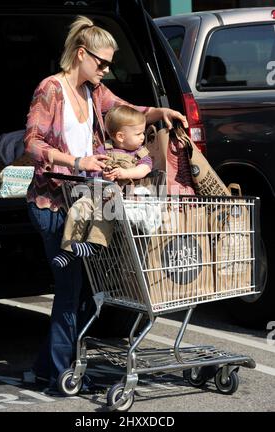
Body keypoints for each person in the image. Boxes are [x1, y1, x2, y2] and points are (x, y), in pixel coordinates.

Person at [23, 15, 188, 393]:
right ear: (81, 54)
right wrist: (77, 162)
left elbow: (128, 109)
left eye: (110, 64)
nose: (106, 70)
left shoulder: (93, 92)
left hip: (87, 200)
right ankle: (57, 375)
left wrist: (160, 113)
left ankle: (44, 366)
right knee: (70, 287)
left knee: (86, 289)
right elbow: (31, 144)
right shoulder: (52, 90)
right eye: (101, 62)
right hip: (53, 202)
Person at [52, 105, 151, 268]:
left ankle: (94, 244)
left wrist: (125, 174)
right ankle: (69, 249)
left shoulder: (140, 153)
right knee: (77, 209)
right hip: (96, 192)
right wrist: (103, 175)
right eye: (139, 133)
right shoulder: (103, 150)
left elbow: (145, 169)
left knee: (104, 213)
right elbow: (92, 172)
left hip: (120, 197)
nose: (143, 137)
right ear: (120, 136)